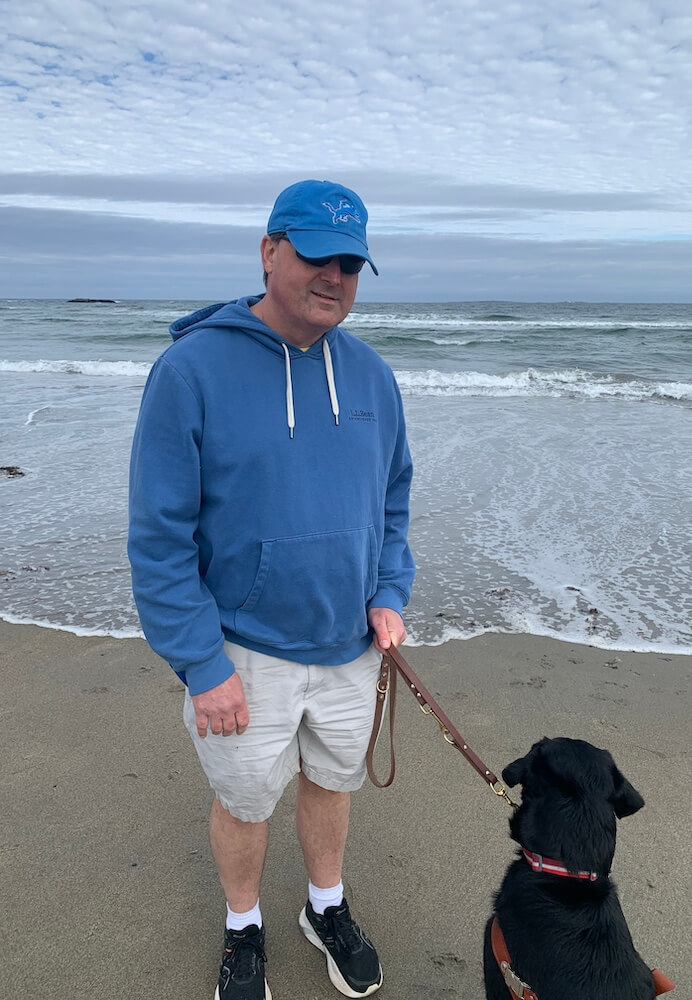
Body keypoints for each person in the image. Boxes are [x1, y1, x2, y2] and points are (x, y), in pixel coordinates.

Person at [128, 179, 415, 1000]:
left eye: (351, 262)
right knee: (246, 798)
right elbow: (157, 537)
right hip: (242, 653)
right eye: (316, 255)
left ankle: (325, 906)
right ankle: (243, 925)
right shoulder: (191, 370)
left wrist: (389, 590)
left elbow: (392, 501)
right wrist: (200, 662)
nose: (334, 275)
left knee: (334, 780)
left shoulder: (371, 375)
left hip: (352, 647)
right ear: (268, 251)